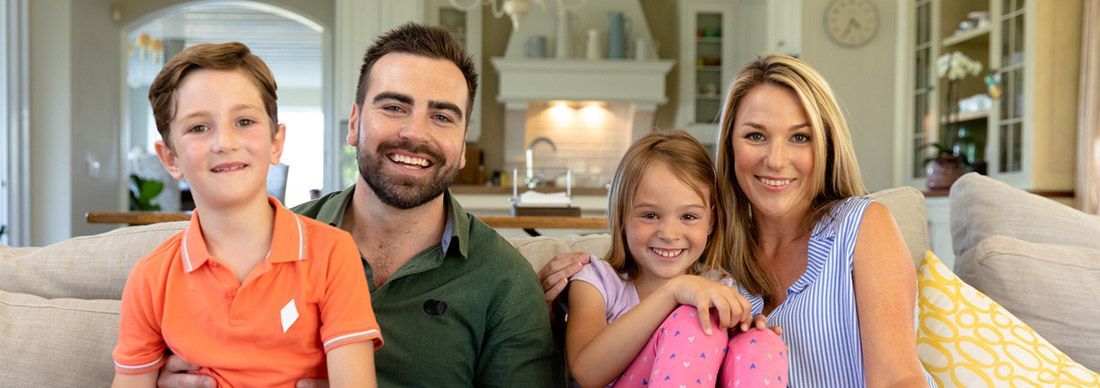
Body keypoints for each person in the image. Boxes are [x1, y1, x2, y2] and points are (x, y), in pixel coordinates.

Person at [159, 24, 561, 387]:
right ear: (354, 123)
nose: (414, 133)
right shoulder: (266, 241)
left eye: (441, 116)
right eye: (393, 107)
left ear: (461, 149)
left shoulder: (504, 280)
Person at [542, 55, 936, 387]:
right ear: (729, 145)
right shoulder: (711, 262)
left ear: (826, 146)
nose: (776, 160)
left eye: (799, 137)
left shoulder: (862, 226)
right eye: (755, 136)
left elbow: (897, 377)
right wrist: (554, 286)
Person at [111, 42, 380, 387]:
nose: (224, 142)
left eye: (244, 121)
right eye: (198, 127)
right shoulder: (151, 277)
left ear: (275, 142)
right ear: (170, 159)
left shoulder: (333, 254)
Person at [565, 130, 787, 387]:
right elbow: (587, 373)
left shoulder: (719, 285)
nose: (669, 234)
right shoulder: (596, 281)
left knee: (761, 342)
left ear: (710, 221)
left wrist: (744, 331)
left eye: (688, 217)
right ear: (622, 217)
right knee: (693, 317)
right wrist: (674, 291)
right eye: (650, 215)